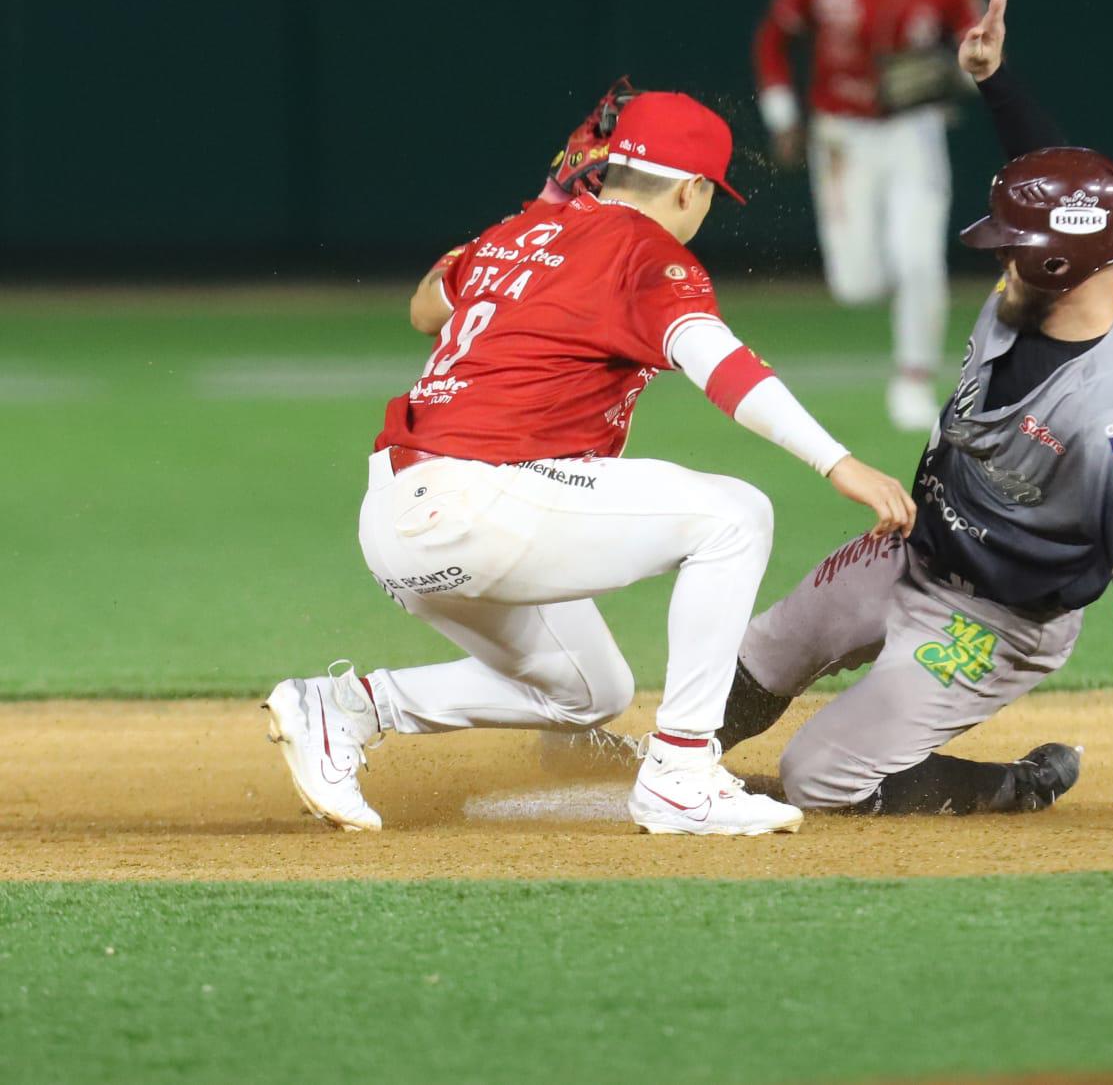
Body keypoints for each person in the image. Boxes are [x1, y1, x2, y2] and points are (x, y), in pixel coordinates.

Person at [263, 89, 915, 837]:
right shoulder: (647, 255)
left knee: (588, 690)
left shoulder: (521, 228)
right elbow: (721, 365)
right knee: (736, 516)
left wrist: (541, 211)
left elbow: (422, 309)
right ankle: (680, 774)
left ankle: (343, 707)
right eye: (709, 195)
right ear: (690, 188)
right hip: (477, 501)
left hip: (398, 517)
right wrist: (838, 462)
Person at [709, 0, 1113, 826]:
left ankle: (1001, 786)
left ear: (1057, 268)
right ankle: (675, 769)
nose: (997, 259)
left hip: (993, 618)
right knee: (755, 658)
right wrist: (994, 78)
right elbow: (1063, 187)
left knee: (817, 776)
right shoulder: (1070, 269)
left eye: (1012, 250)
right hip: (910, 545)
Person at [753, 0, 986, 431]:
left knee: (919, 257)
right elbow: (772, 41)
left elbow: (978, 50)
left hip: (913, 132)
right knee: (855, 283)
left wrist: (962, 68)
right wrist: (783, 117)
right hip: (840, 137)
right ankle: (891, 289)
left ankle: (913, 378)